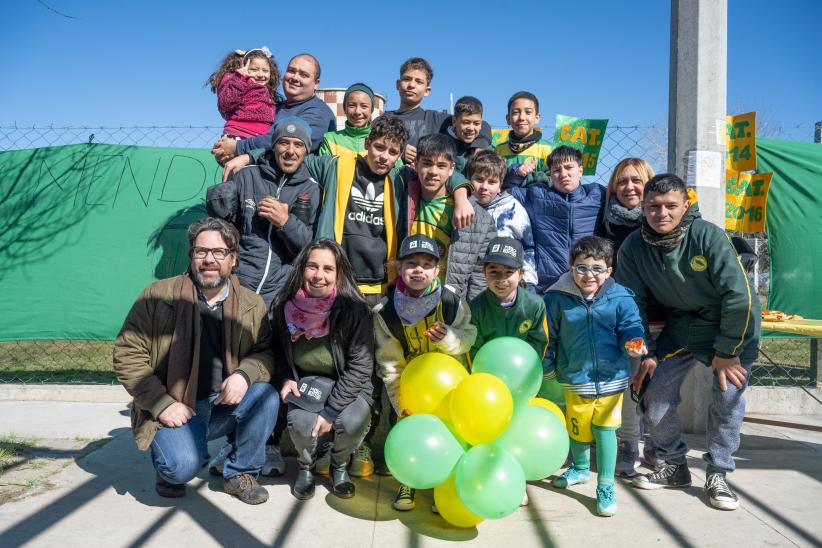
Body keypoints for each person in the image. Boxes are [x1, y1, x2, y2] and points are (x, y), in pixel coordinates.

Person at [616, 174, 761, 511]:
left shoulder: (708, 235)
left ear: (685, 206)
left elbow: (739, 298)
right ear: (643, 206)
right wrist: (646, 353)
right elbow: (628, 305)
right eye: (653, 206)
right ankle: (673, 465)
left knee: (727, 396)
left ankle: (719, 473)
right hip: (683, 324)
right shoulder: (634, 246)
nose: (661, 213)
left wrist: (727, 353)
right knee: (653, 391)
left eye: (671, 206)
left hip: (731, 324)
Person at [112, 218, 279, 504]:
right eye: (201, 252)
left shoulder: (252, 304)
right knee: (180, 469)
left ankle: (240, 473)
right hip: (175, 404)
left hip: (222, 403)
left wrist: (244, 374)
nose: (209, 260)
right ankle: (168, 466)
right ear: (191, 256)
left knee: (266, 396)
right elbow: (127, 354)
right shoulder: (157, 296)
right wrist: (161, 404)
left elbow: (265, 351)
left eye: (219, 252)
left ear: (233, 259)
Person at [544, 235, 646, 517]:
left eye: (598, 268)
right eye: (582, 268)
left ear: (609, 271)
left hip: (612, 378)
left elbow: (631, 325)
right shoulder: (555, 298)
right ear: (570, 267)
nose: (590, 275)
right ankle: (579, 468)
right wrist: (548, 366)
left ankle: (605, 484)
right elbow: (548, 336)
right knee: (577, 428)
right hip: (575, 377)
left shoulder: (620, 296)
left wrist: (634, 341)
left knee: (605, 430)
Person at [373, 234, 477, 511]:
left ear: (437, 269)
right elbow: (390, 364)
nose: (419, 270)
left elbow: (469, 337)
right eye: (411, 263)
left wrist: (448, 338)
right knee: (408, 431)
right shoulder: (385, 311)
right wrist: (401, 403)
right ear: (399, 267)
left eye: (427, 264)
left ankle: (447, 483)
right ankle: (408, 481)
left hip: (449, 386)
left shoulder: (451, 301)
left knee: (453, 432)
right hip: (411, 390)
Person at [271, 240, 374, 501]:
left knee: (351, 422)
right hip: (308, 383)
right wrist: (284, 378)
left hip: (348, 384)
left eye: (328, 269)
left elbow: (361, 366)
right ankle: (306, 466)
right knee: (301, 424)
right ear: (301, 269)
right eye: (312, 267)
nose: (319, 276)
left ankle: (339, 465)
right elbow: (278, 351)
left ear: (338, 275)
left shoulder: (354, 310)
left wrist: (330, 412)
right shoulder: (285, 307)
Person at [207, 116, 321, 309]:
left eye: (298, 145)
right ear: (273, 146)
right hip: (237, 286)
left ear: (306, 151)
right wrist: (217, 202)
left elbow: (307, 247)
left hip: (280, 293)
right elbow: (223, 231)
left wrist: (285, 222)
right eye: (284, 143)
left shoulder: (311, 189)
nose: (290, 151)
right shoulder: (247, 174)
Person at [600, 157, 658, 477]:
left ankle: (655, 442)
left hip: (659, 314)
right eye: (622, 181)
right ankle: (628, 443)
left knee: (656, 384)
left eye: (636, 180)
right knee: (629, 382)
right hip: (621, 317)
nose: (629, 187)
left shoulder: (659, 219)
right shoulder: (604, 220)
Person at [406, 133, 498, 300]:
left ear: (451, 169)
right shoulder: (402, 198)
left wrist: (469, 315)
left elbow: (480, 275)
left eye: (441, 166)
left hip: (448, 302)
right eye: (427, 164)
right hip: (406, 296)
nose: (433, 171)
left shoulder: (479, 218)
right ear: (416, 164)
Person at [509, 145, 605, 293]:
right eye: (556, 170)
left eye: (569, 167)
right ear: (550, 174)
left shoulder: (597, 195)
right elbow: (504, 191)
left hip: (588, 283)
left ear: (580, 170)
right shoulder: (537, 195)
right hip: (549, 286)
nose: (563, 174)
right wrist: (517, 173)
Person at [212, 53, 336, 161]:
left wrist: (239, 148)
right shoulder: (271, 106)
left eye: (304, 75)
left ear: (316, 84)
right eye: (291, 71)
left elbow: (292, 141)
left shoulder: (319, 111)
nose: (295, 78)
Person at [386, 58, 492, 166]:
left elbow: (482, 125)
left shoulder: (436, 119)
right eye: (407, 79)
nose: (411, 85)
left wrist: (479, 146)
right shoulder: (384, 118)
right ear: (398, 84)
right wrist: (397, 149)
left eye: (419, 81)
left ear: (427, 91)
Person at [468, 150, 538, 288]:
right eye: (479, 179)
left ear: (500, 185)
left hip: (503, 283)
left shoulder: (512, 208)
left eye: (492, 182)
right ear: (469, 178)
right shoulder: (462, 205)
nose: (484, 187)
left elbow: (528, 247)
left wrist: (529, 282)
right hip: (469, 282)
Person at [206, 48, 279, 148]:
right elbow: (227, 102)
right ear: (244, 68)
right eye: (254, 70)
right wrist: (240, 78)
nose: (261, 74)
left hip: (259, 137)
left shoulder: (268, 93)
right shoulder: (239, 83)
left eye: (265, 71)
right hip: (239, 134)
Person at [495, 91, 552, 181]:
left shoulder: (548, 149)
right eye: (515, 112)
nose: (521, 117)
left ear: (537, 118)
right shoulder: (498, 150)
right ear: (508, 119)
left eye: (528, 112)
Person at [317, 82, 377, 159]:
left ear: (371, 110)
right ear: (344, 108)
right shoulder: (330, 139)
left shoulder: (381, 140)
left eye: (364, 106)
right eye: (352, 105)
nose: (357, 112)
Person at [447, 96, 488, 175]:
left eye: (476, 123)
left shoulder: (487, 150)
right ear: (454, 121)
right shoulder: (444, 148)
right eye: (466, 122)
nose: (471, 128)